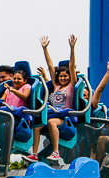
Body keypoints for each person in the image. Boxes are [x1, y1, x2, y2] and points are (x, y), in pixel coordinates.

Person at [23, 35, 78, 164]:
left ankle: (56, 152)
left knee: (52, 122)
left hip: (64, 117)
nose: (63, 78)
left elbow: (72, 67)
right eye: (61, 76)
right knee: (37, 126)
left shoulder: (71, 86)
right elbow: (50, 65)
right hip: (53, 112)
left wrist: (72, 48)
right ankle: (35, 154)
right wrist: (45, 49)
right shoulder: (56, 86)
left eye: (66, 76)